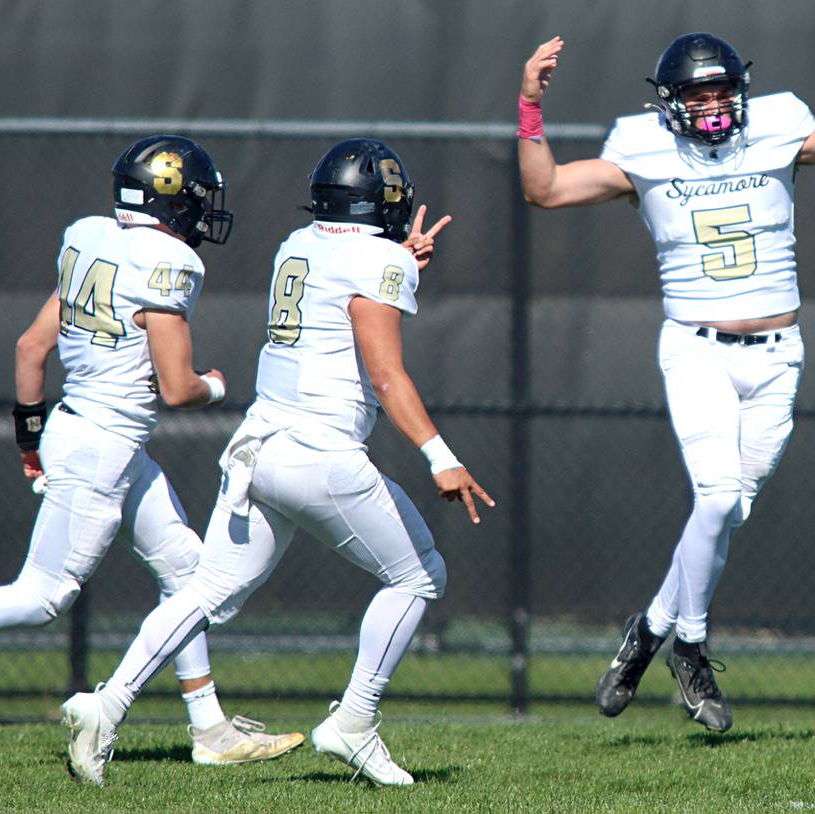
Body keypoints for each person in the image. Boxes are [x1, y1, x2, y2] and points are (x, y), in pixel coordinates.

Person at [60, 138, 495, 787]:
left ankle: (107, 703)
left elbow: (340, 292)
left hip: (259, 444)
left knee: (206, 590)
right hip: (320, 452)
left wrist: (396, 262)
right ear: (381, 204)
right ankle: (354, 721)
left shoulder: (299, 242)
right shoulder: (376, 258)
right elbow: (386, 375)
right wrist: (441, 457)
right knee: (419, 575)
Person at [518, 29, 815, 732]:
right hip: (697, 350)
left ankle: (649, 629)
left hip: (780, 353)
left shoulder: (780, 125)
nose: (714, 104)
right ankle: (690, 647)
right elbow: (543, 190)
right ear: (669, 102)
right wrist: (529, 106)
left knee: (729, 510)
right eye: (698, 93)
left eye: (723, 89)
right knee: (719, 496)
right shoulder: (640, 147)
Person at [0, 135, 303, 771]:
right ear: (172, 198)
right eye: (198, 198)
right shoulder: (167, 262)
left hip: (86, 435)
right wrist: (216, 386)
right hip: (103, 447)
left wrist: (30, 440)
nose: (205, 213)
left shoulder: (91, 237)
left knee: (186, 570)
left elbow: (28, 349)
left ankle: (209, 730)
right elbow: (178, 388)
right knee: (42, 596)